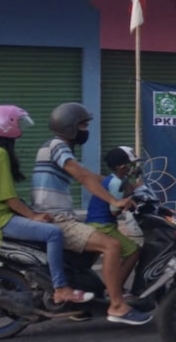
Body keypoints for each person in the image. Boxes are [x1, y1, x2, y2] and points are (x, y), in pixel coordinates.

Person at [30, 102, 151, 325]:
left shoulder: (54, 147)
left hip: (57, 215)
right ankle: (117, 306)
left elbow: (90, 175)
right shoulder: (58, 146)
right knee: (112, 246)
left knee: (92, 253)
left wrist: (124, 187)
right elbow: (83, 177)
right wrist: (114, 200)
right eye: (83, 125)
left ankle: (83, 303)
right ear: (70, 127)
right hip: (58, 219)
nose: (86, 130)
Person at [0, 105, 95, 306]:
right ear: (7, 126)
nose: (22, 129)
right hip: (3, 220)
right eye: (19, 123)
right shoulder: (1, 154)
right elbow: (9, 198)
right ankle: (61, 289)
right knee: (53, 233)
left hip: (6, 216)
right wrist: (32, 216)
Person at [84, 146, 143, 300]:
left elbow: (128, 190)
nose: (132, 168)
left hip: (98, 223)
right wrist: (128, 203)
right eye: (130, 165)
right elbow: (114, 211)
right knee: (133, 251)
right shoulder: (116, 183)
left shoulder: (115, 179)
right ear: (121, 167)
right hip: (103, 225)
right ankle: (115, 290)